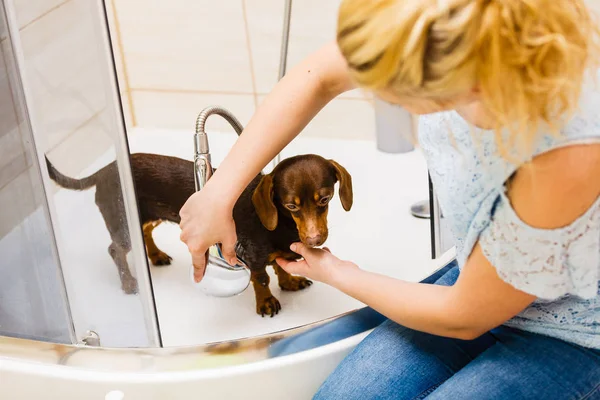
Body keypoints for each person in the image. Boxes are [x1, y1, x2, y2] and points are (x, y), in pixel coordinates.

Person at [179, 0, 600, 398]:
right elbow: (320, 76)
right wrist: (218, 193)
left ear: (468, 76)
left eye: (396, 87)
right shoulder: (435, 24)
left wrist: (339, 273)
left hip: (575, 330)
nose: (383, 94)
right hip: (485, 275)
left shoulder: (565, 151)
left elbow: (466, 315)